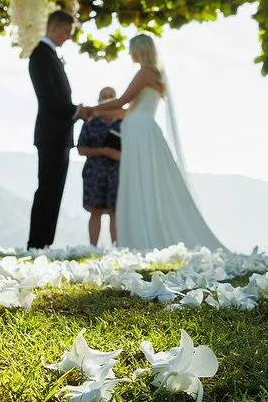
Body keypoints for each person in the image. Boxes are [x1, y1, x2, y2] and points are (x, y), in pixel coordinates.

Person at [84, 34, 224, 252]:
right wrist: (99, 113)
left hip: (139, 130)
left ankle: (142, 235)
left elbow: (122, 101)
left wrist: (93, 109)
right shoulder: (154, 74)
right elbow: (126, 110)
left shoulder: (146, 72)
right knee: (142, 178)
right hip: (139, 128)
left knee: (141, 179)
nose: (130, 54)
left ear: (139, 49)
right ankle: (138, 234)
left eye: (132, 49)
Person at [27, 10, 89, 250]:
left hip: (60, 134)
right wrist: (76, 111)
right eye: (67, 32)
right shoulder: (41, 56)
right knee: (48, 188)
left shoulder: (50, 55)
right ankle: (38, 242)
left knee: (54, 189)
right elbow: (49, 99)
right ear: (54, 27)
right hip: (51, 134)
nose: (68, 37)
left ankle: (44, 242)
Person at [76, 87, 122, 246]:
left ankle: (116, 247)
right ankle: (93, 247)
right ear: (99, 100)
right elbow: (81, 149)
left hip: (117, 173)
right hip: (94, 173)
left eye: (111, 96)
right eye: (105, 96)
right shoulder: (91, 123)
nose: (108, 98)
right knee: (95, 210)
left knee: (114, 211)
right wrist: (104, 151)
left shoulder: (124, 122)